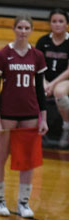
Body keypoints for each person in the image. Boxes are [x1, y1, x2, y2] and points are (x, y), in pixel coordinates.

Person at [0, 15, 48, 218]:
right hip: (7, 113)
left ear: (31, 30)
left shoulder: (37, 55)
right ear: (14, 29)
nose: (23, 31)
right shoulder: (3, 54)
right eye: (20, 27)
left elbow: (40, 90)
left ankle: (23, 203)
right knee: (2, 155)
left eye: (27, 28)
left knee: (27, 159)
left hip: (30, 113)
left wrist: (43, 118)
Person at [35, 8, 69, 149]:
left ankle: (66, 127)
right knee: (29, 86)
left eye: (61, 21)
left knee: (59, 92)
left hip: (64, 80)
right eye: (54, 21)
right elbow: (37, 67)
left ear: (66, 23)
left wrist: (53, 84)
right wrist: (43, 83)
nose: (57, 24)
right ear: (49, 23)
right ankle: (31, 125)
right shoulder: (43, 41)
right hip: (46, 79)